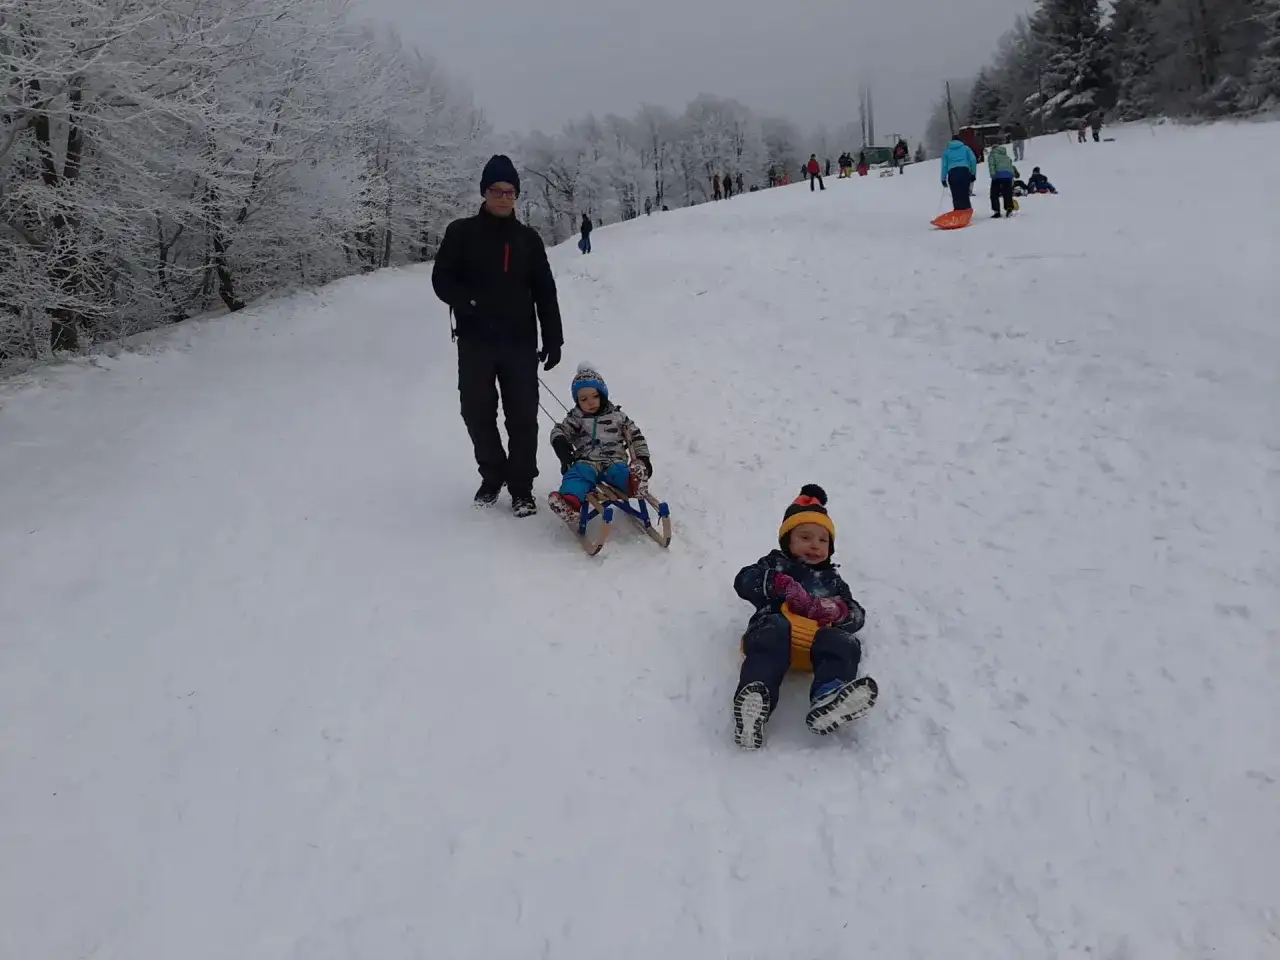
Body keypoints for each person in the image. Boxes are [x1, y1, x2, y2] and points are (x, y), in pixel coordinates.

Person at [431, 154, 563, 516]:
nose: (504, 197)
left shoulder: (528, 239)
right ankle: (492, 475)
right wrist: (469, 302)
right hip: (475, 342)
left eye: (510, 191)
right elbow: (441, 280)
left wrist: (554, 336)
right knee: (476, 412)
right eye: (497, 190)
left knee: (522, 416)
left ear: (517, 195)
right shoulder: (461, 232)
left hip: (520, 343)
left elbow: (545, 291)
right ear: (484, 192)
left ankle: (521, 487)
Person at [732, 485, 878, 748]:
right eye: (805, 538)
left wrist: (839, 611)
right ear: (788, 541)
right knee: (771, 632)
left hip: (814, 641)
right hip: (779, 630)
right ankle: (755, 698)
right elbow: (743, 581)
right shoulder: (774, 564)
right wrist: (777, 583)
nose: (815, 545)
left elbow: (856, 616)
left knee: (844, 642)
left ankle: (829, 695)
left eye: (823, 541)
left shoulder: (832, 580)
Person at [547, 363, 652, 522]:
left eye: (595, 396)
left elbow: (635, 436)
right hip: (586, 462)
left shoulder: (617, 416)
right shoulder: (576, 418)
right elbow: (560, 430)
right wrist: (560, 443)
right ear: (577, 401)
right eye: (583, 399)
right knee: (576, 476)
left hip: (614, 460)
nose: (590, 402)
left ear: (603, 394)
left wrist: (643, 459)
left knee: (621, 473)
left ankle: (634, 483)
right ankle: (569, 503)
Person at [939, 134, 978, 211]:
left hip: (953, 173)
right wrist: (973, 173)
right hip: (964, 172)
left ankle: (958, 213)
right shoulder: (966, 148)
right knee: (965, 194)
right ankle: (967, 212)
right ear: (960, 141)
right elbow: (973, 160)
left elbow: (944, 166)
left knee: (956, 195)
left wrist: (943, 179)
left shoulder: (946, 152)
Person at [987, 141, 1017, 218]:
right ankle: (1009, 208)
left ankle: (997, 211)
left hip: (998, 175)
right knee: (1007, 193)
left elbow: (991, 165)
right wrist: (1012, 175)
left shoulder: (992, 154)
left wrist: (993, 174)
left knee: (994, 194)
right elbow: (1010, 166)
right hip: (1008, 176)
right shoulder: (1006, 156)